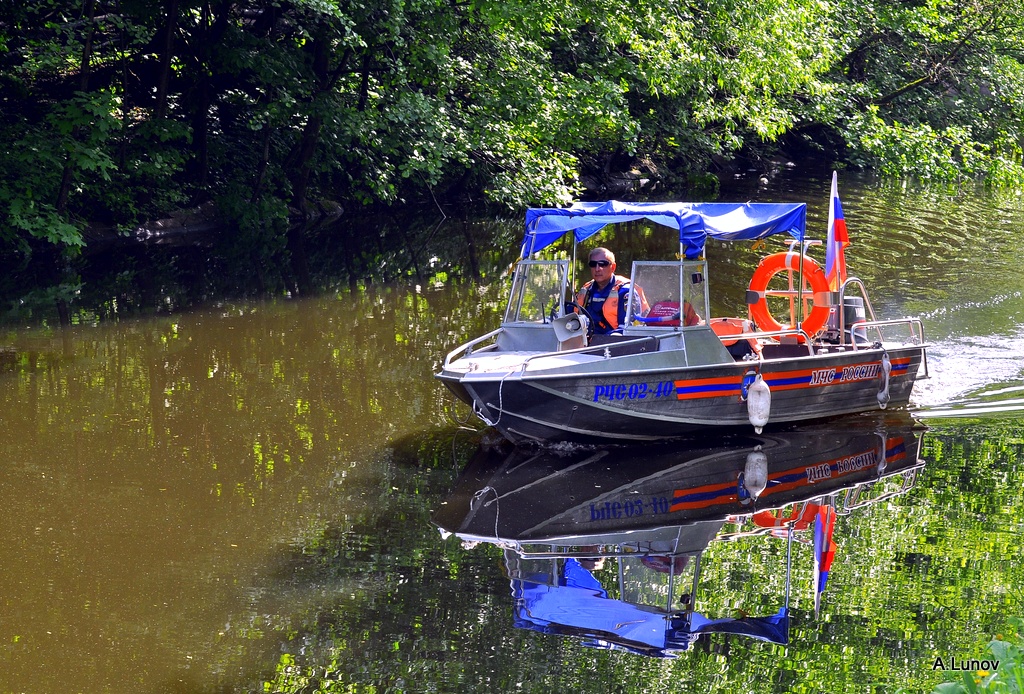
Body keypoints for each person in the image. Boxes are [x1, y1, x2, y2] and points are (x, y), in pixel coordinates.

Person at [574, 248, 648, 334]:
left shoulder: (625, 291)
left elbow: (628, 329)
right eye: (593, 264)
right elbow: (568, 317)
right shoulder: (586, 290)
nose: (597, 269)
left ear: (613, 267)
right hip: (585, 342)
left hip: (614, 343)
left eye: (603, 264)